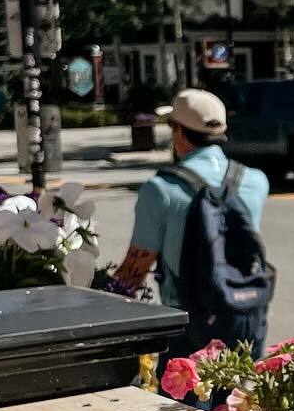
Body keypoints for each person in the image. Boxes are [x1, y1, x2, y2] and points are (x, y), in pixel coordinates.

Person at [113, 88, 269, 310]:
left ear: (178, 131)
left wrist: (99, 297)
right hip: (243, 314)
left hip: (188, 321)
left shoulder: (160, 188)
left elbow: (134, 272)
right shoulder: (256, 181)